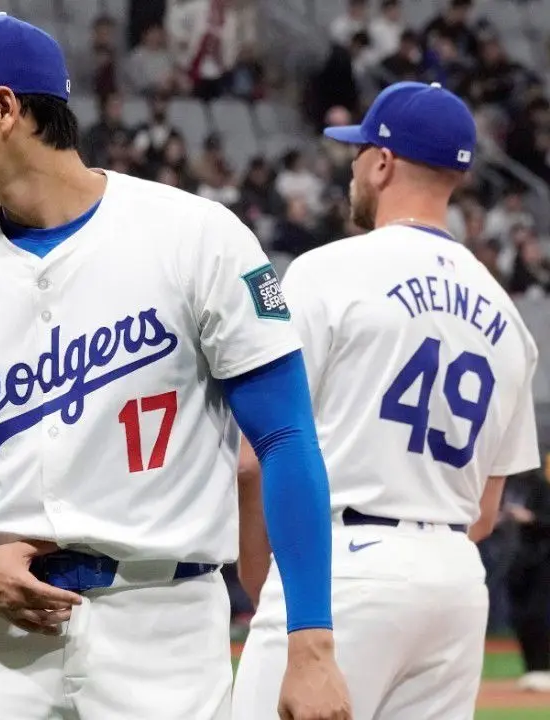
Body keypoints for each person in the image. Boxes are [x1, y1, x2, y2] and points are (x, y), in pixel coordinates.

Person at [0, 12, 350, 720]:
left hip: (163, 625)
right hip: (1, 640)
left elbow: (287, 437)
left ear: (5, 108)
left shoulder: (194, 238)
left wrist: (312, 642)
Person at [232, 81, 542, 720]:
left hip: (342, 564)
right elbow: (486, 513)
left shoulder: (326, 271)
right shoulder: (510, 317)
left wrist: (266, 578)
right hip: (455, 583)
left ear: (382, 162)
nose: (352, 166)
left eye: (358, 152)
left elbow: (255, 458)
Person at [504, 460, 550, 692]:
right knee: (521, 616)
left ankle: (543, 668)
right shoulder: (515, 485)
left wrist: (531, 518)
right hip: (520, 559)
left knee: (538, 614)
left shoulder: (542, 486)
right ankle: (532, 669)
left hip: (543, 560)